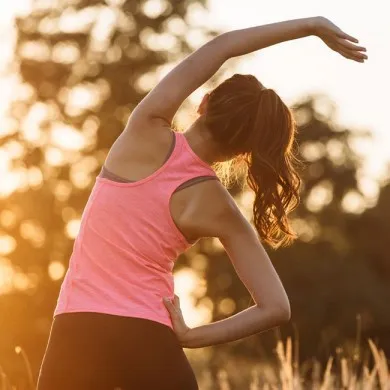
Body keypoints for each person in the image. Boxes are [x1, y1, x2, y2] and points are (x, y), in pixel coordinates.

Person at [36, 16, 367, 390]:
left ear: (204, 103)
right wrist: (193, 336)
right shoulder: (220, 207)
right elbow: (276, 307)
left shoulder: (145, 128)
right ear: (245, 151)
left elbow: (222, 47)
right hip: (151, 340)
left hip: (78, 329)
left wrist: (311, 25)